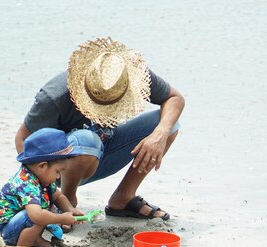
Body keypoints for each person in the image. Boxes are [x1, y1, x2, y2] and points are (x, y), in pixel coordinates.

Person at [14, 37, 185, 221]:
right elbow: (22, 139)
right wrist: (43, 189)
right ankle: (68, 201)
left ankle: (123, 197)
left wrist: (159, 134)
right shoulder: (55, 96)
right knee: (88, 139)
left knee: (169, 124)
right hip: (60, 169)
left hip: (105, 151)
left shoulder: (128, 75)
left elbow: (175, 98)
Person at [0, 128, 85, 247]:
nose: (58, 176)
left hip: (16, 226)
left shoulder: (43, 178)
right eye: (58, 171)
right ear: (42, 166)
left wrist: (71, 210)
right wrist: (61, 217)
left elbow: (58, 196)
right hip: (2, 233)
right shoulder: (26, 183)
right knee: (36, 215)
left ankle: (35, 240)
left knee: (42, 211)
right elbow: (36, 216)